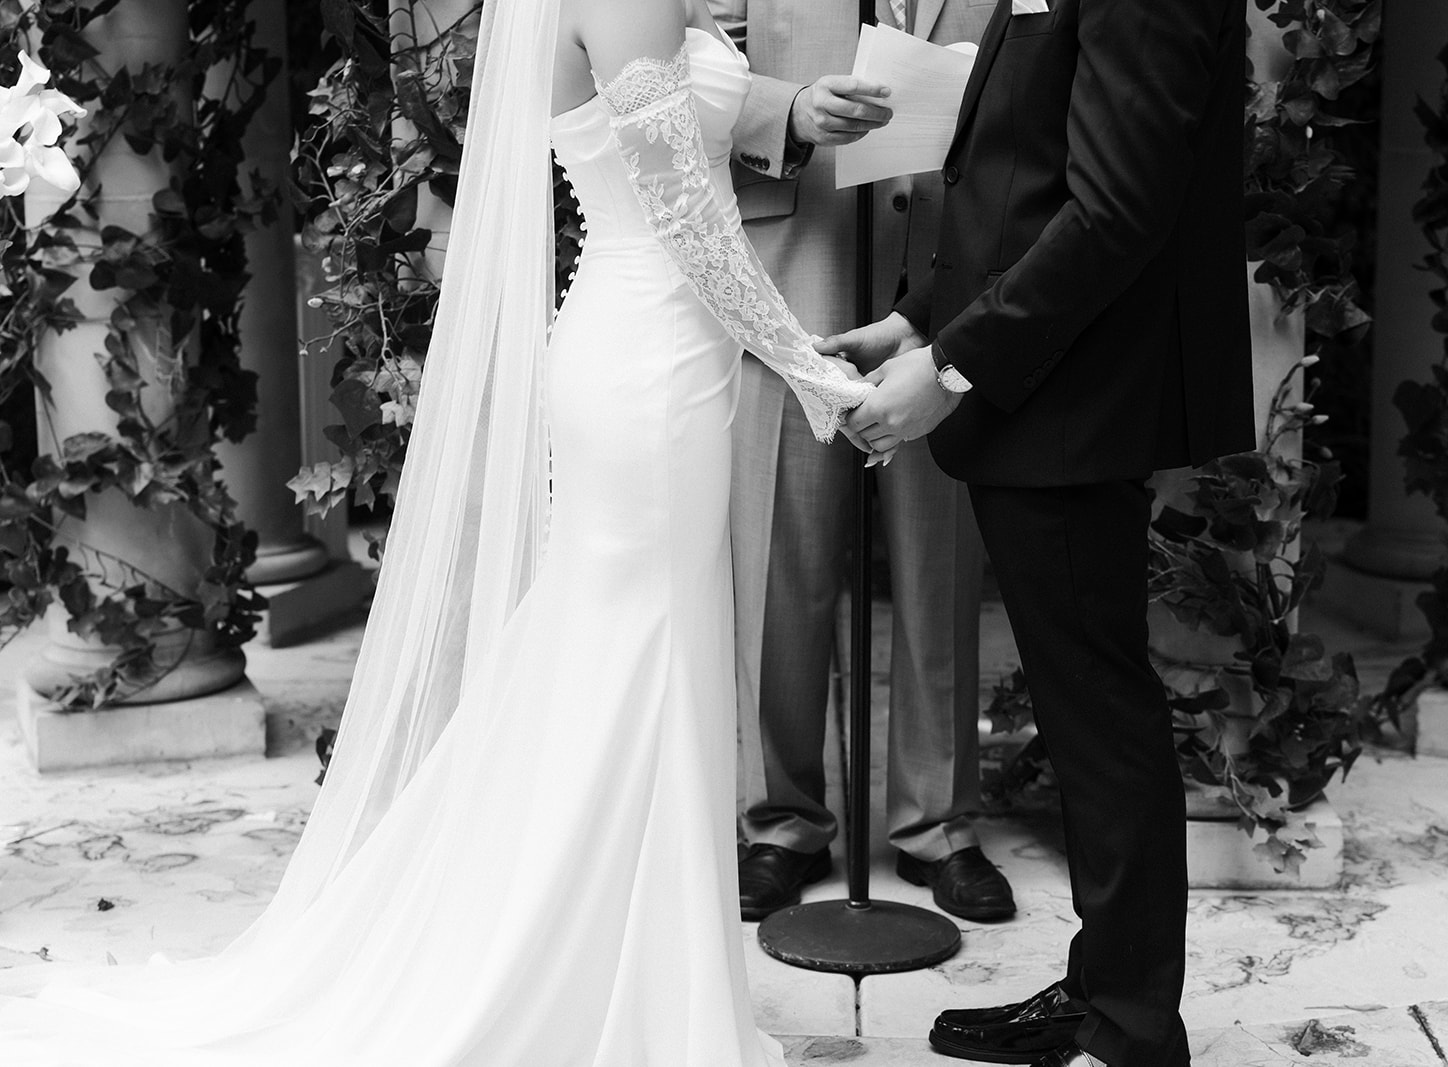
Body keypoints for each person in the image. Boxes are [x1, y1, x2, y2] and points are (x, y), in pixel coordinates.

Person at [0, 0, 879, 1062]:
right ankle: (607, 983)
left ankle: (641, 976)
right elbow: (688, 215)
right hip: (650, 360)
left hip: (656, 350)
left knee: (639, 653)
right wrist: (809, 363)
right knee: (640, 658)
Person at [821, 0, 1255, 1064]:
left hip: (1073, 400)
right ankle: (1111, 993)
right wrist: (917, 318)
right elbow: (1027, 173)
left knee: (1099, 710)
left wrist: (954, 367)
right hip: (1053, 387)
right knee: (1088, 704)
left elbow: (1114, 214)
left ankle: (1132, 1023)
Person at [708, 0, 1014, 925]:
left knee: (938, 560)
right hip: (792, 267)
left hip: (951, 274)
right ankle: (781, 818)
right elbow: (676, 71)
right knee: (778, 554)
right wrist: (787, 111)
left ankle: (939, 823)